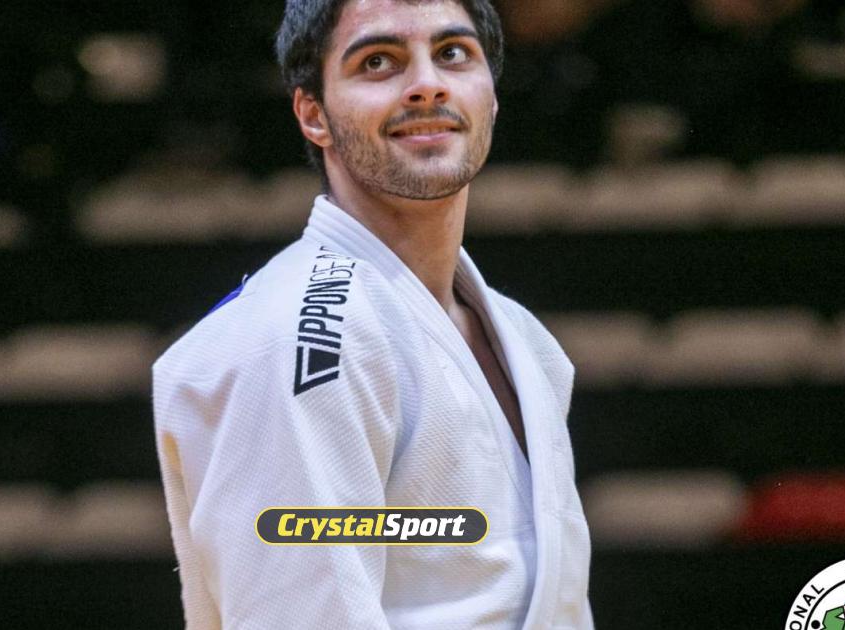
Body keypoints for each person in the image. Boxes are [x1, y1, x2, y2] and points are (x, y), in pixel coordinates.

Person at [152, 0, 593, 627]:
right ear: (314, 115)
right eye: (378, 62)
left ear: (492, 97)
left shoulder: (527, 340)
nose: (427, 85)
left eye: (453, 54)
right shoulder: (300, 342)